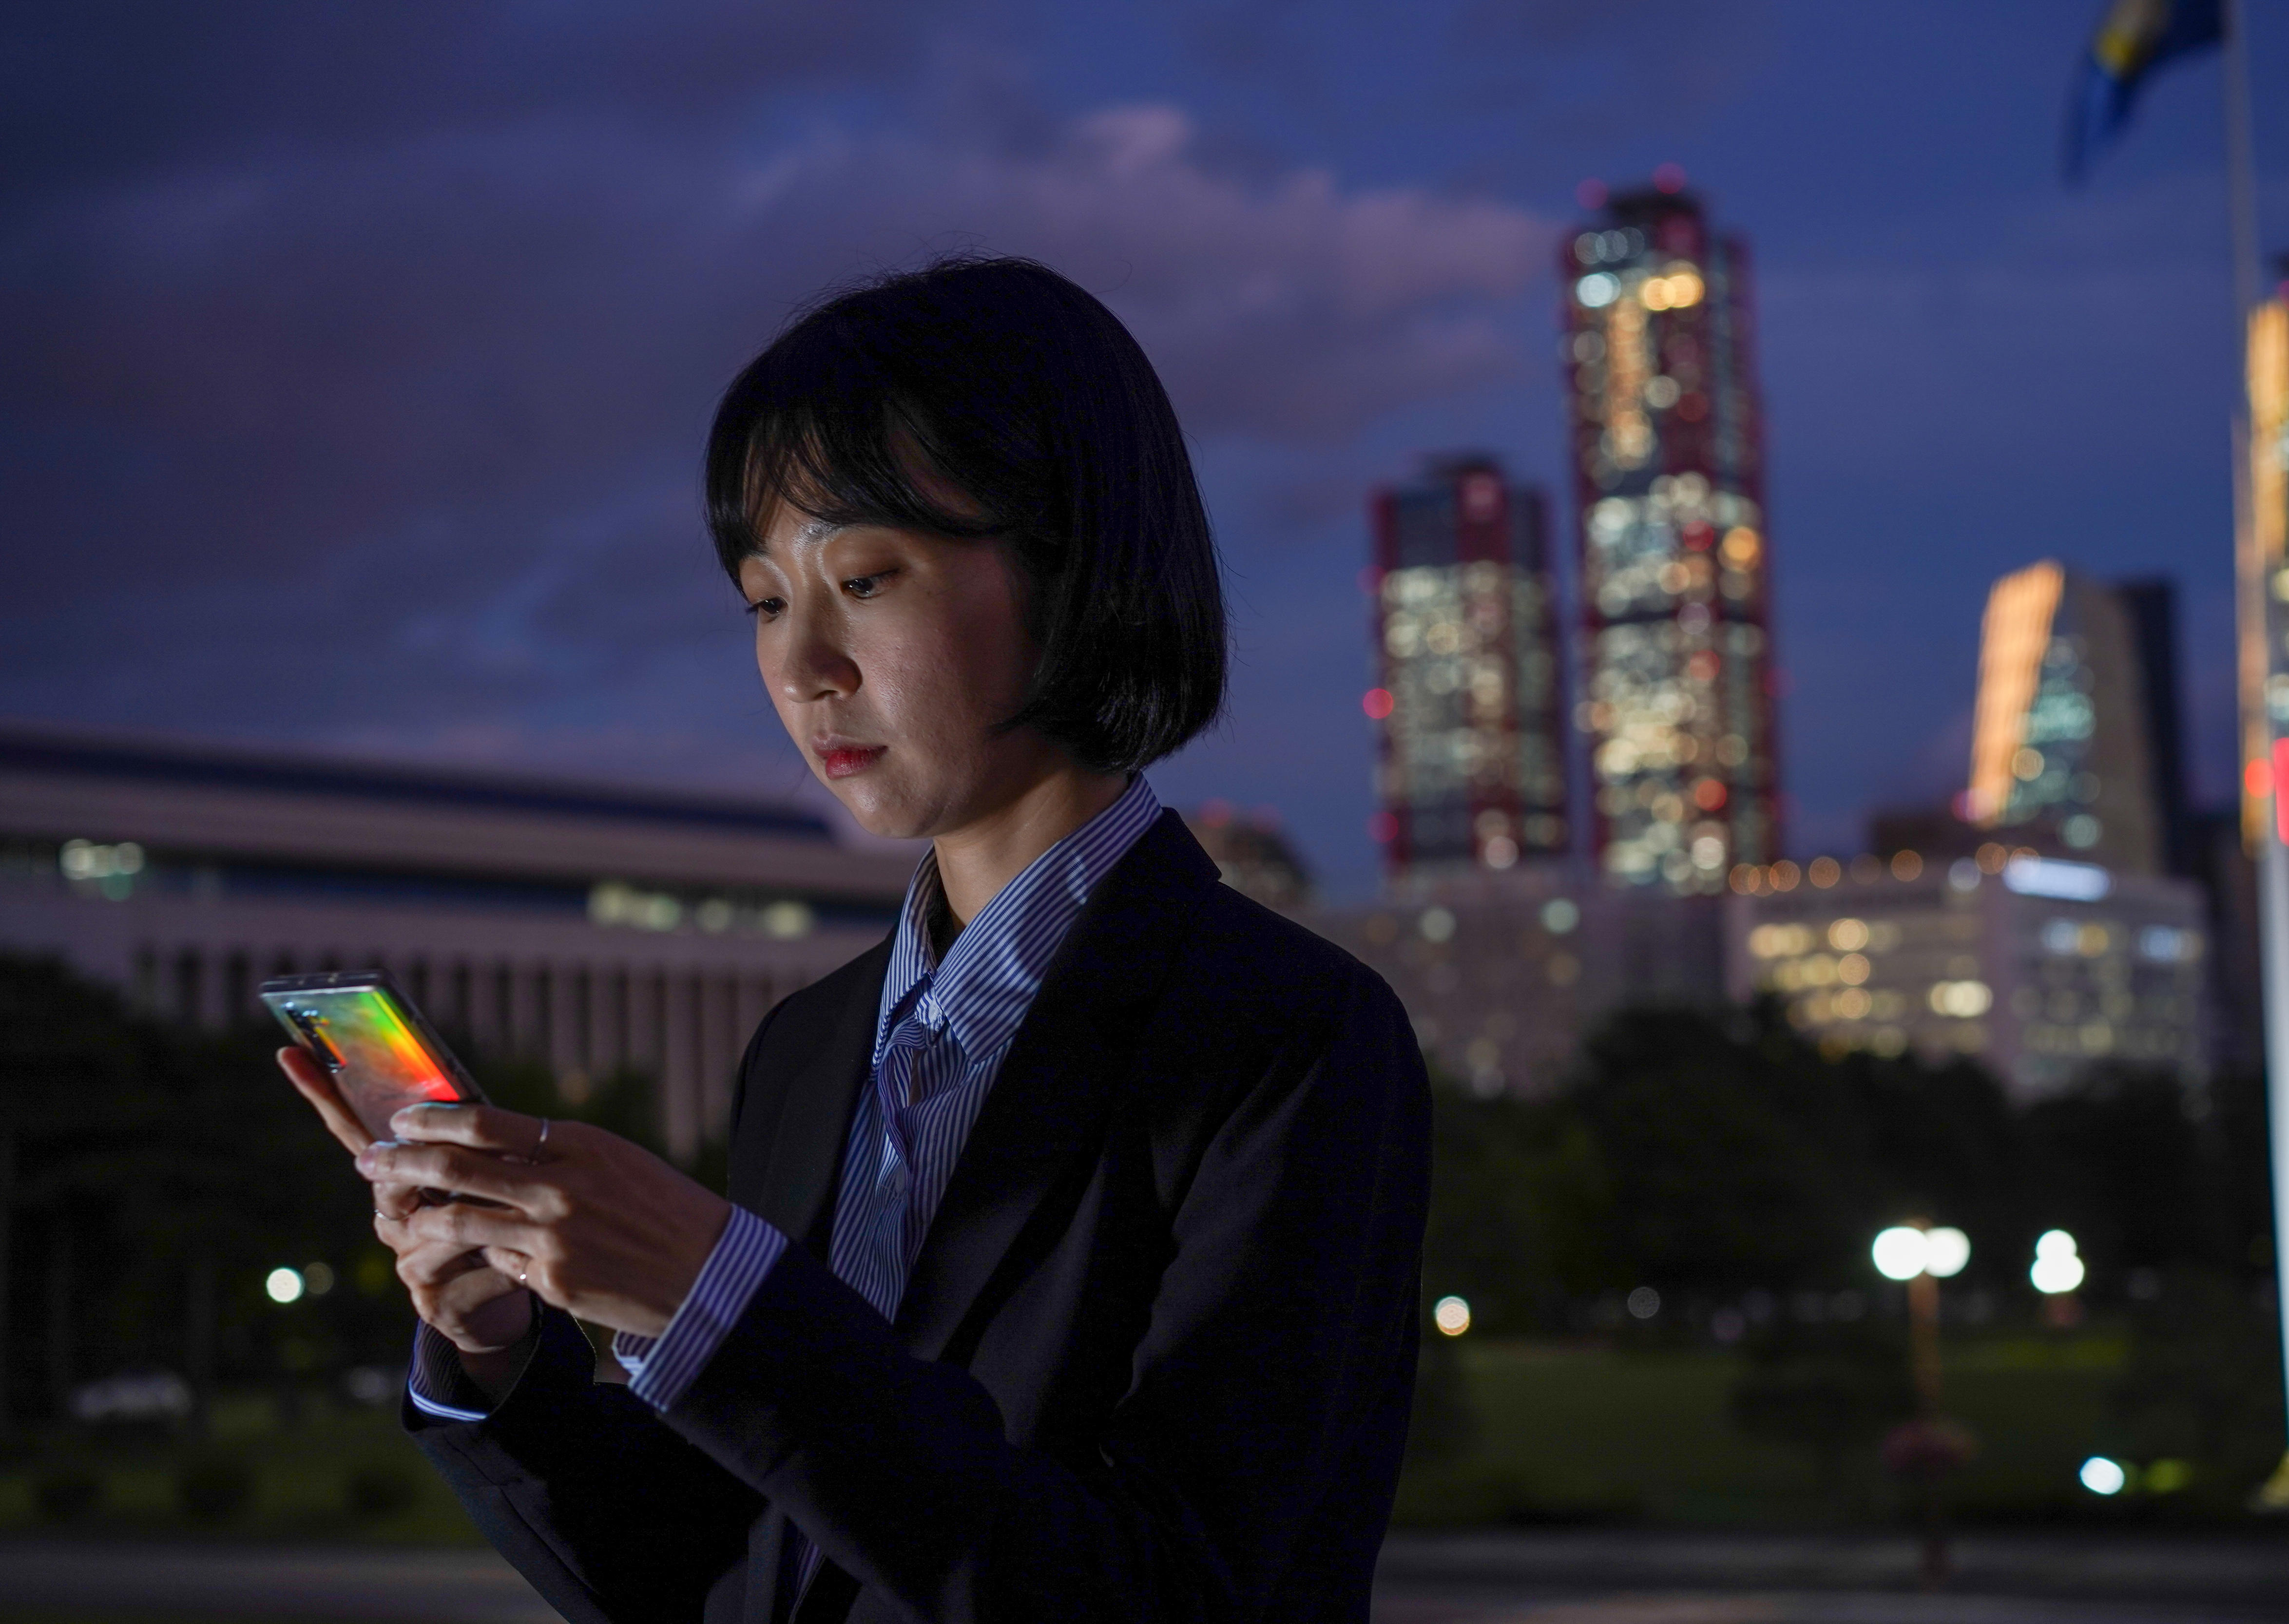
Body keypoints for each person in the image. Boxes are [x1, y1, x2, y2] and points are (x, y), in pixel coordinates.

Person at [281, 256, 1433, 1624]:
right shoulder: (809, 1049)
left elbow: (1183, 1593)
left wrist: (725, 1299)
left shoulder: (1288, 1036)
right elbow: (727, 1576)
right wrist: (492, 1354)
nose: (799, 666)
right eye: (767, 600)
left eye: (868, 579)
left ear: (1070, 562)